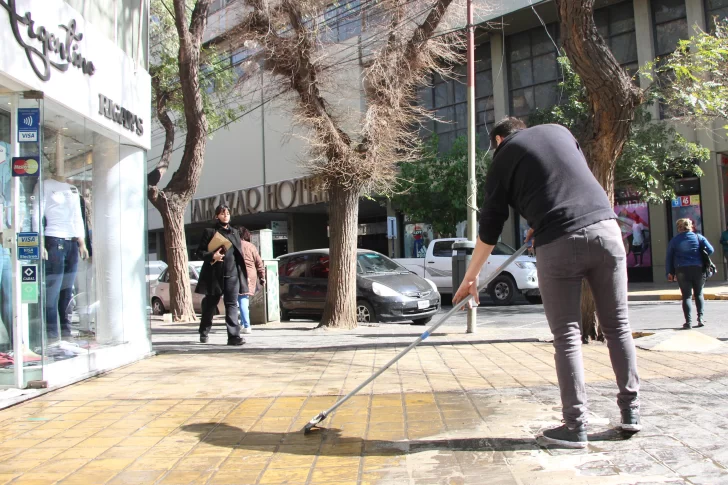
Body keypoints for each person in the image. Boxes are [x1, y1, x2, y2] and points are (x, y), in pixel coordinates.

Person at [453, 118, 641, 449]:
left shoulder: (502, 156)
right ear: (523, 128)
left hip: (559, 242)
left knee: (567, 335)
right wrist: (540, 220)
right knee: (618, 327)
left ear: (498, 139)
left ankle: (575, 426)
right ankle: (631, 413)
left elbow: (490, 226)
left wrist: (472, 278)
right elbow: (565, 181)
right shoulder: (560, 131)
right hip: (607, 231)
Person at [195, 205, 248, 346]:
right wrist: (213, 256)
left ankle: (233, 337)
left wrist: (242, 274)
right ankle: (204, 331)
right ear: (216, 216)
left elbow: (238, 255)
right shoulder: (210, 232)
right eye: (223, 213)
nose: (226, 216)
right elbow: (199, 252)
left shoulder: (235, 232)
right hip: (214, 276)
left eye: (228, 213)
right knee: (210, 305)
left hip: (232, 276)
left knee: (231, 305)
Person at [666, 218, 714, 329]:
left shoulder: (674, 240)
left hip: (681, 270)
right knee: (698, 294)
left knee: (686, 296)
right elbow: (711, 250)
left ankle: (688, 322)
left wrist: (670, 272)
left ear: (679, 228)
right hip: (698, 268)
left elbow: (669, 257)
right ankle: (700, 318)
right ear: (690, 226)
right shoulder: (698, 237)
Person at [238, 227, 265, 334]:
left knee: (238, 301)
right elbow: (259, 263)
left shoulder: (232, 245)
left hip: (237, 274)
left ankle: (245, 325)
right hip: (250, 275)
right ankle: (244, 324)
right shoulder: (251, 246)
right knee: (243, 299)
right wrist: (262, 276)